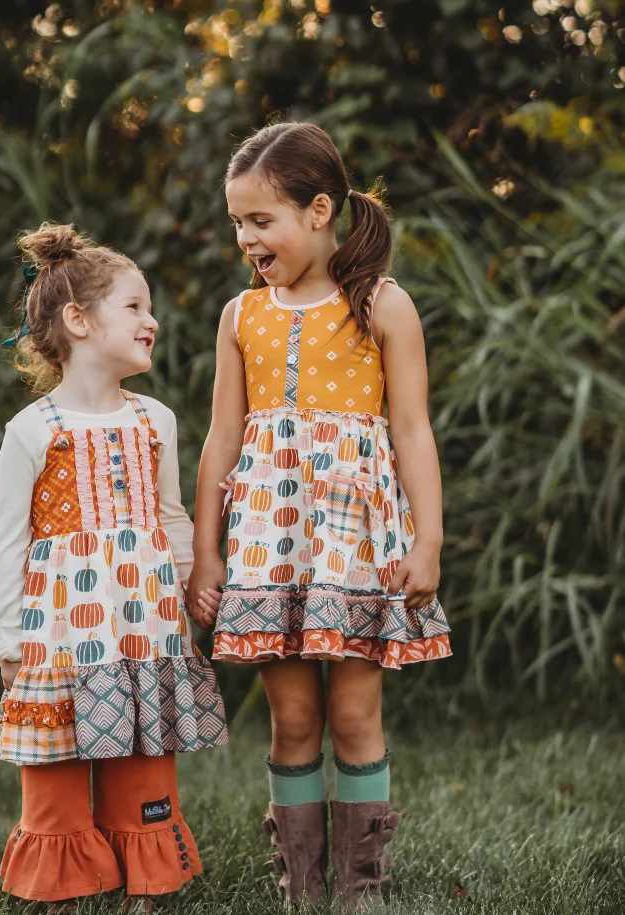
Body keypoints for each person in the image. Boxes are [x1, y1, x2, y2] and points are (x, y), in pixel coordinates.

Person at [188, 122, 452, 910]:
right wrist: (207, 552)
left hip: (353, 542)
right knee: (293, 719)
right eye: (236, 222)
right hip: (270, 547)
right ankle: (301, 888)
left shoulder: (380, 304)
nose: (245, 238)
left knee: (351, 712)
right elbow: (220, 439)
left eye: (259, 220)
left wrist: (427, 539)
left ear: (318, 210)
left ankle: (358, 888)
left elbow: (410, 429)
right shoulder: (241, 316)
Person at [0, 223, 227, 913]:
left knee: (142, 758)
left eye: (149, 308)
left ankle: (142, 884)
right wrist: (5, 639)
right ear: (77, 320)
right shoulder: (34, 430)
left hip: (144, 631)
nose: (152, 320)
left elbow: (171, 518)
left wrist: (192, 587)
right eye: (135, 306)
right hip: (59, 638)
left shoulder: (156, 421)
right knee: (54, 767)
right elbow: (3, 545)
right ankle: (61, 883)